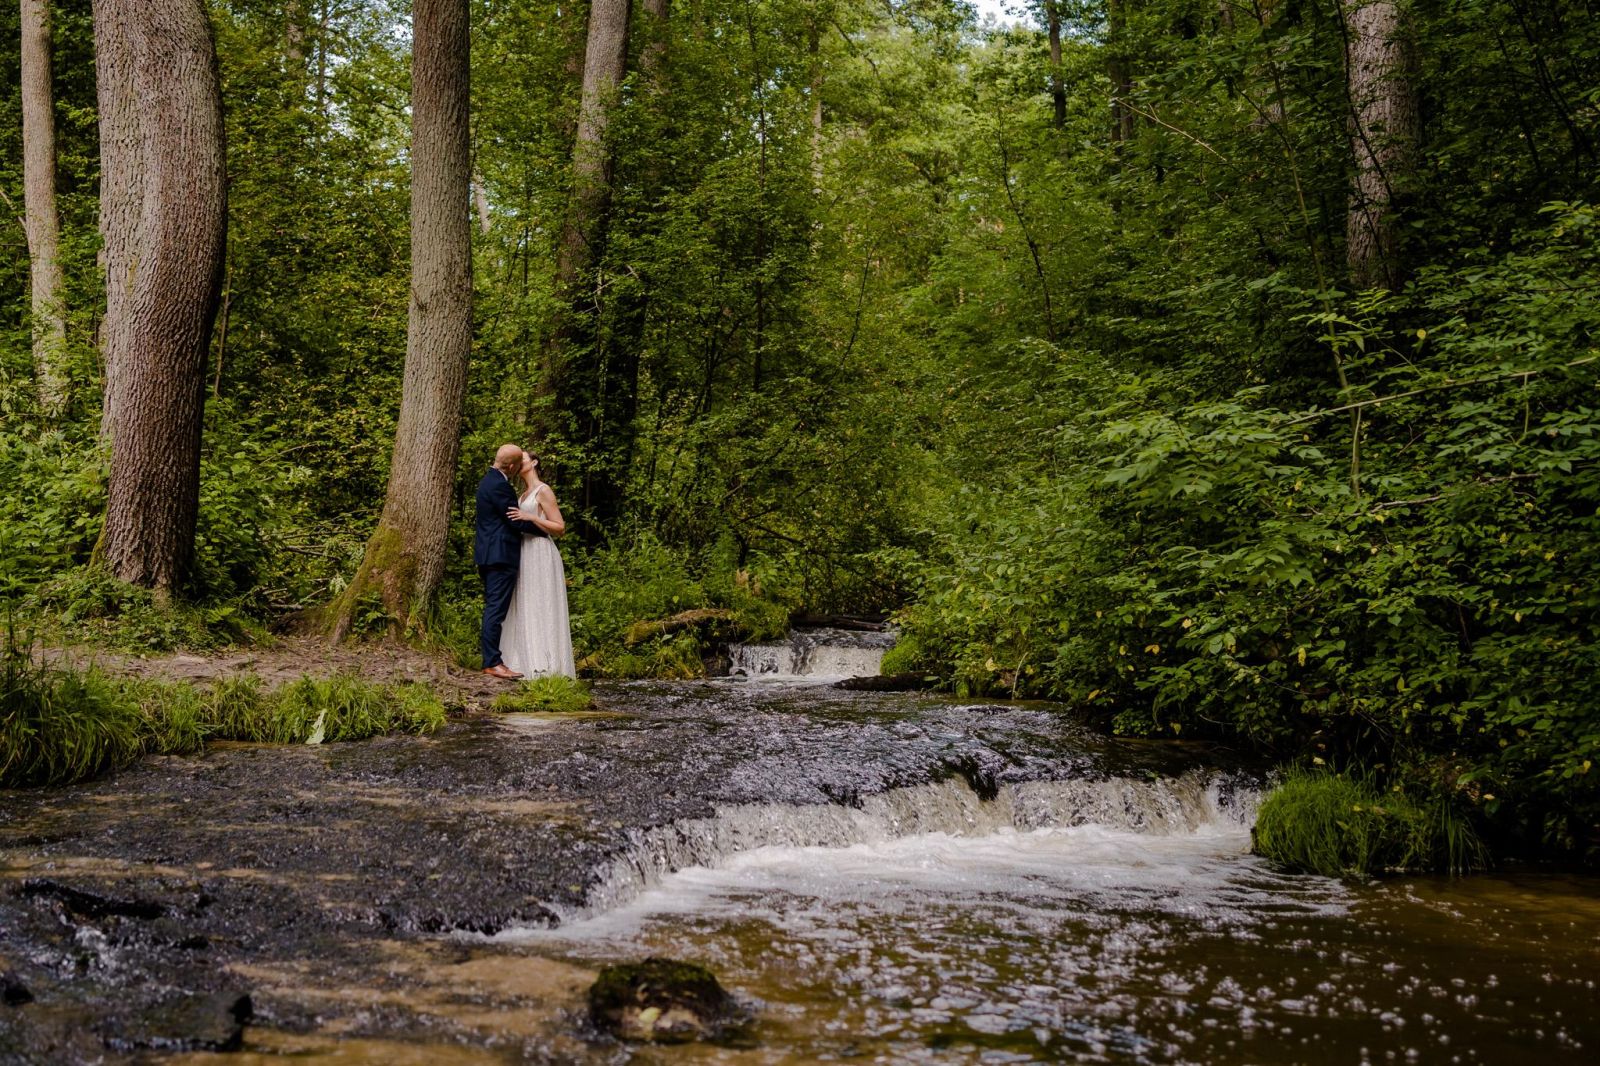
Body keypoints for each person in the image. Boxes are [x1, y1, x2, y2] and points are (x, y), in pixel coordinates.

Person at [499, 450, 576, 678]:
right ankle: (522, 660)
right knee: (525, 602)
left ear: (533, 462)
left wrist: (532, 517)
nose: (517, 462)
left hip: (541, 551)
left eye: (522, 458)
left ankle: (549, 666)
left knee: (542, 602)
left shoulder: (543, 490)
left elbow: (560, 527)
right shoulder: (522, 496)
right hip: (523, 552)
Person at [475, 444, 544, 679]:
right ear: (513, 466)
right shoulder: (501, 486)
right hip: (500, 556)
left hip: (488, 554)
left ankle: (493, 659)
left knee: (494, 607)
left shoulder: (487, 481)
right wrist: (545, 530)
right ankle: (492, 662)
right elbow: (515, 520)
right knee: (496, 609)